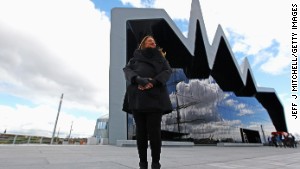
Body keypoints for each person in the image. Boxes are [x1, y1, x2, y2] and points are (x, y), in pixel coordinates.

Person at [123, 35, 173, 169]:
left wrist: (153, 82)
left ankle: (156, 163)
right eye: (149, 40)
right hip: (137, 96)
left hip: (155, 96)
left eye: (154, 41)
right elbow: (127, 70)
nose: (152, 42)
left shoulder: (161, 59)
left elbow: (168, 71)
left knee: (155, 132)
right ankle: (142, 163)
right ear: (143, 44)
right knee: (141, 132)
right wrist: (139, 80)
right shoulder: (134, 59)